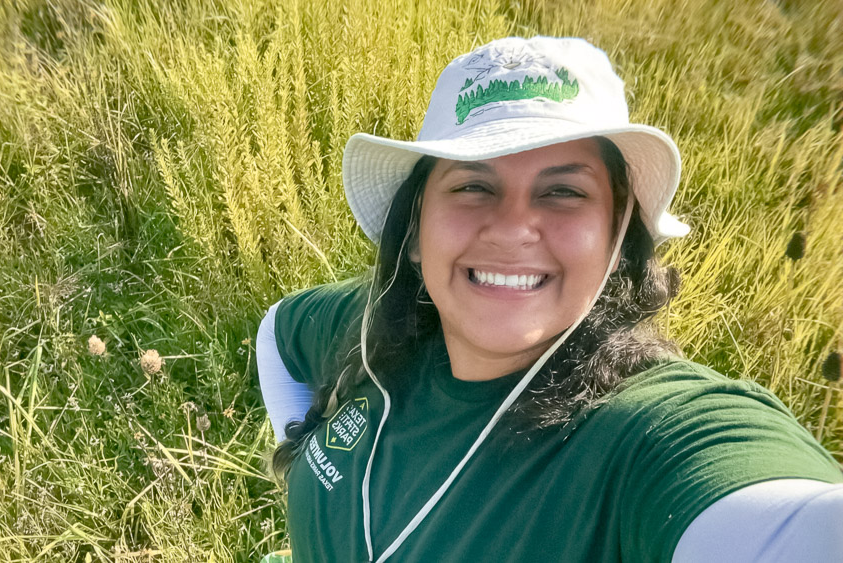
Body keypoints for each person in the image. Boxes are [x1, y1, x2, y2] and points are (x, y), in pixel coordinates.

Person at [256, 36, 843, 562]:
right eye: (472, 185)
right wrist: (294, 440)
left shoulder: (649, 437)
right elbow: (275, 331)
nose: (513, 228)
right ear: (414, 233)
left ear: (617, 240)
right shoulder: (373, 327)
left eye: (563, 191)